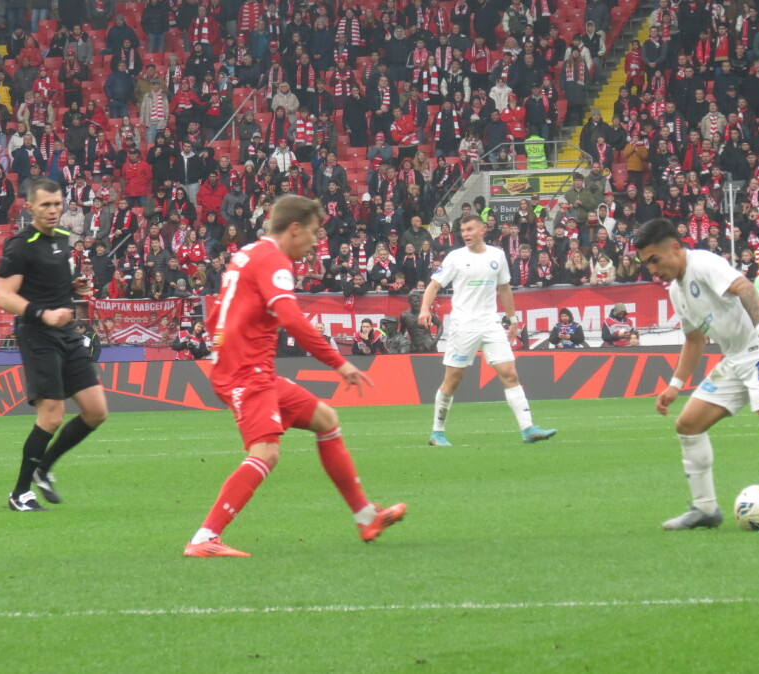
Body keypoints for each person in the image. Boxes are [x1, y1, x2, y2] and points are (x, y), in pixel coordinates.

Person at [184, 195, 405, 557]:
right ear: (294, 229)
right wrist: (339, 362)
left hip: (247, 367)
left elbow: (218, 313)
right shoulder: (275, 260)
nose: (317, 242)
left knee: (326, 420)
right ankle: (204, 538)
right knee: (267, 452)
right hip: (245, 372)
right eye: (314, 233)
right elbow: (293, 320)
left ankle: (366, 517)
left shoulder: (249, 253)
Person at [634, 218, 759, 533]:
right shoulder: (677, 291)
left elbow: (744, 286)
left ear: (674, 248)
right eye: (647, 264)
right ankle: (705, 509)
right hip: (735, 360)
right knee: (688, 425)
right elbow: (694, 340)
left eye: (654, 260)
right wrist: (675, 385)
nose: (652, 270)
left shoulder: (703, 263)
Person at [0, 178, 109, 512]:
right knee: (52, 416)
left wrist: (73, 288)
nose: (53, 210)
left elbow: (49, 284)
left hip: (67, 333)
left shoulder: (61, 238)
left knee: (96, 411)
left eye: (57, 204)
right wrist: (44, 314)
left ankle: (43, 469)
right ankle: (20, 494)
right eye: (45, 205)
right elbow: (4, 296)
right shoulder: (20, 246)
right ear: (30, 207)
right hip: (38, 335)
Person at [417, 214, 557, 446]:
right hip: (463, 325)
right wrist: (424, 309)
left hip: (491, 323)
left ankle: (528, 428)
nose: (466, 234)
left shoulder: (497, 256)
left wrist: (513, 319)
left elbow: (505, 288)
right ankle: (437, 432)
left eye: (470, 229)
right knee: (453, 379)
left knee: (509, 373)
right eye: (463, 230)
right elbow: (434, 285)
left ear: (483, 230)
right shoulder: (455, 257)